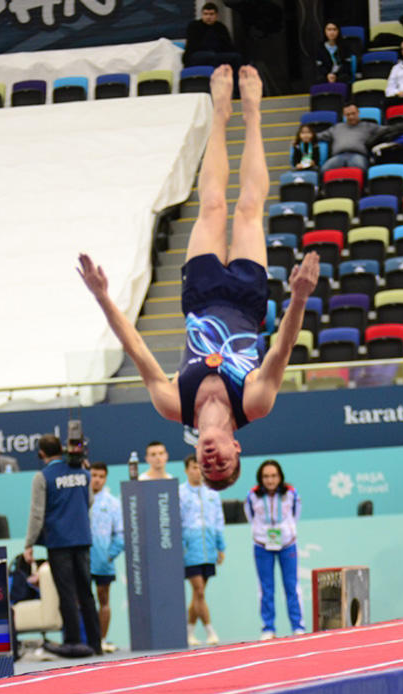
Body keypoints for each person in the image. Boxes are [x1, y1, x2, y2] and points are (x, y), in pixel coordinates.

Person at [78, 66, 320, 491]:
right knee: (247, 206)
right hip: (247, 299)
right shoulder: (255, 404)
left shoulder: (174, 405)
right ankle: (253, 115)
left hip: (200, 296)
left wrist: (102, 297)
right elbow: (282, 349)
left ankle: (220, 116)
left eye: (208, 469)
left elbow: (135, 348)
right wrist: (298, 298)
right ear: (237, 450)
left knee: (210, 204)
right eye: (223, 465)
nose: (212, 461)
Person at [24, 434, 101, 656]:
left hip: (58, 542)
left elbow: (37, 514)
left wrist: (29, 544)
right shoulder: (83, 472)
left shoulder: (42, 477)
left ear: (41, 454)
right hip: (82, 539)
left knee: (67, 593)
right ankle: (95, 644)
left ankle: (73, 641)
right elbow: (90, 501)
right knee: (86, 592)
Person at [244, 459, 303, 639]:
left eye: (273, 476)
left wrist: (287, 532)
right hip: (262, 545)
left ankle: (297, 626)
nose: (270, 480)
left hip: (287, 544)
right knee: (265, 588)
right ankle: (268, 627)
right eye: (266, 476)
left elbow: (296, 514)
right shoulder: (252, 495)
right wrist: (261, 534)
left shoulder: (291, 493)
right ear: (260, 478)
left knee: (291, 586)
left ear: (280, 477)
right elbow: (250, 516)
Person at [180, 455, 226, 646]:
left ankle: (189, 631)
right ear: (186, 470)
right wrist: (182, 546)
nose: (196, 471)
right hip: (190, 549)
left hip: (208, 548)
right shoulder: (180, 493)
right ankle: (210, 630)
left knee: (198, 594)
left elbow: (218, 521)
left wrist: (220, 546)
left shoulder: (212, 493)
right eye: (193, 467)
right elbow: (177, 521)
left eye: (200, 467)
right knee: (198, 590)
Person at [87, 462, 124, 651]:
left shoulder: (112, 503)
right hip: (83, 558)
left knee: (104, 599)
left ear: (106, 478)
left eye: (101, 476)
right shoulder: (80, 499)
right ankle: (85, 639)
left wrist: (110, 555)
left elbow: (121, 533)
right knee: (82, 600)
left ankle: (101, 640)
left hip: (103, 561)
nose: (97, 480)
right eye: (94, 475)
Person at [315, 103, 386, 172]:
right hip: (337, 157)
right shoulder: (337, 127)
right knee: (324, 170)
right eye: (348, 115)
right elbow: (317, 136)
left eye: (353, 113)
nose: (351, 117)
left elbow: (387, 130)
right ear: (344, 116)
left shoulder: (368, 126)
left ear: (358, 113)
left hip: (358, 155)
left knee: (362, 169)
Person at [183, 2, 242, 70]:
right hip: (197, 54)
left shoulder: (220, 27)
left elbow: (228, 46)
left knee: (236, 57)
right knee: (211, 56)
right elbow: (191, 47)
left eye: (211, 14)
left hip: (217, 54)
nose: (208, 17)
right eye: (205, 14)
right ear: (202, 15)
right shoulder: (194, 26)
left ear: (216, 15)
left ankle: (235, 80)